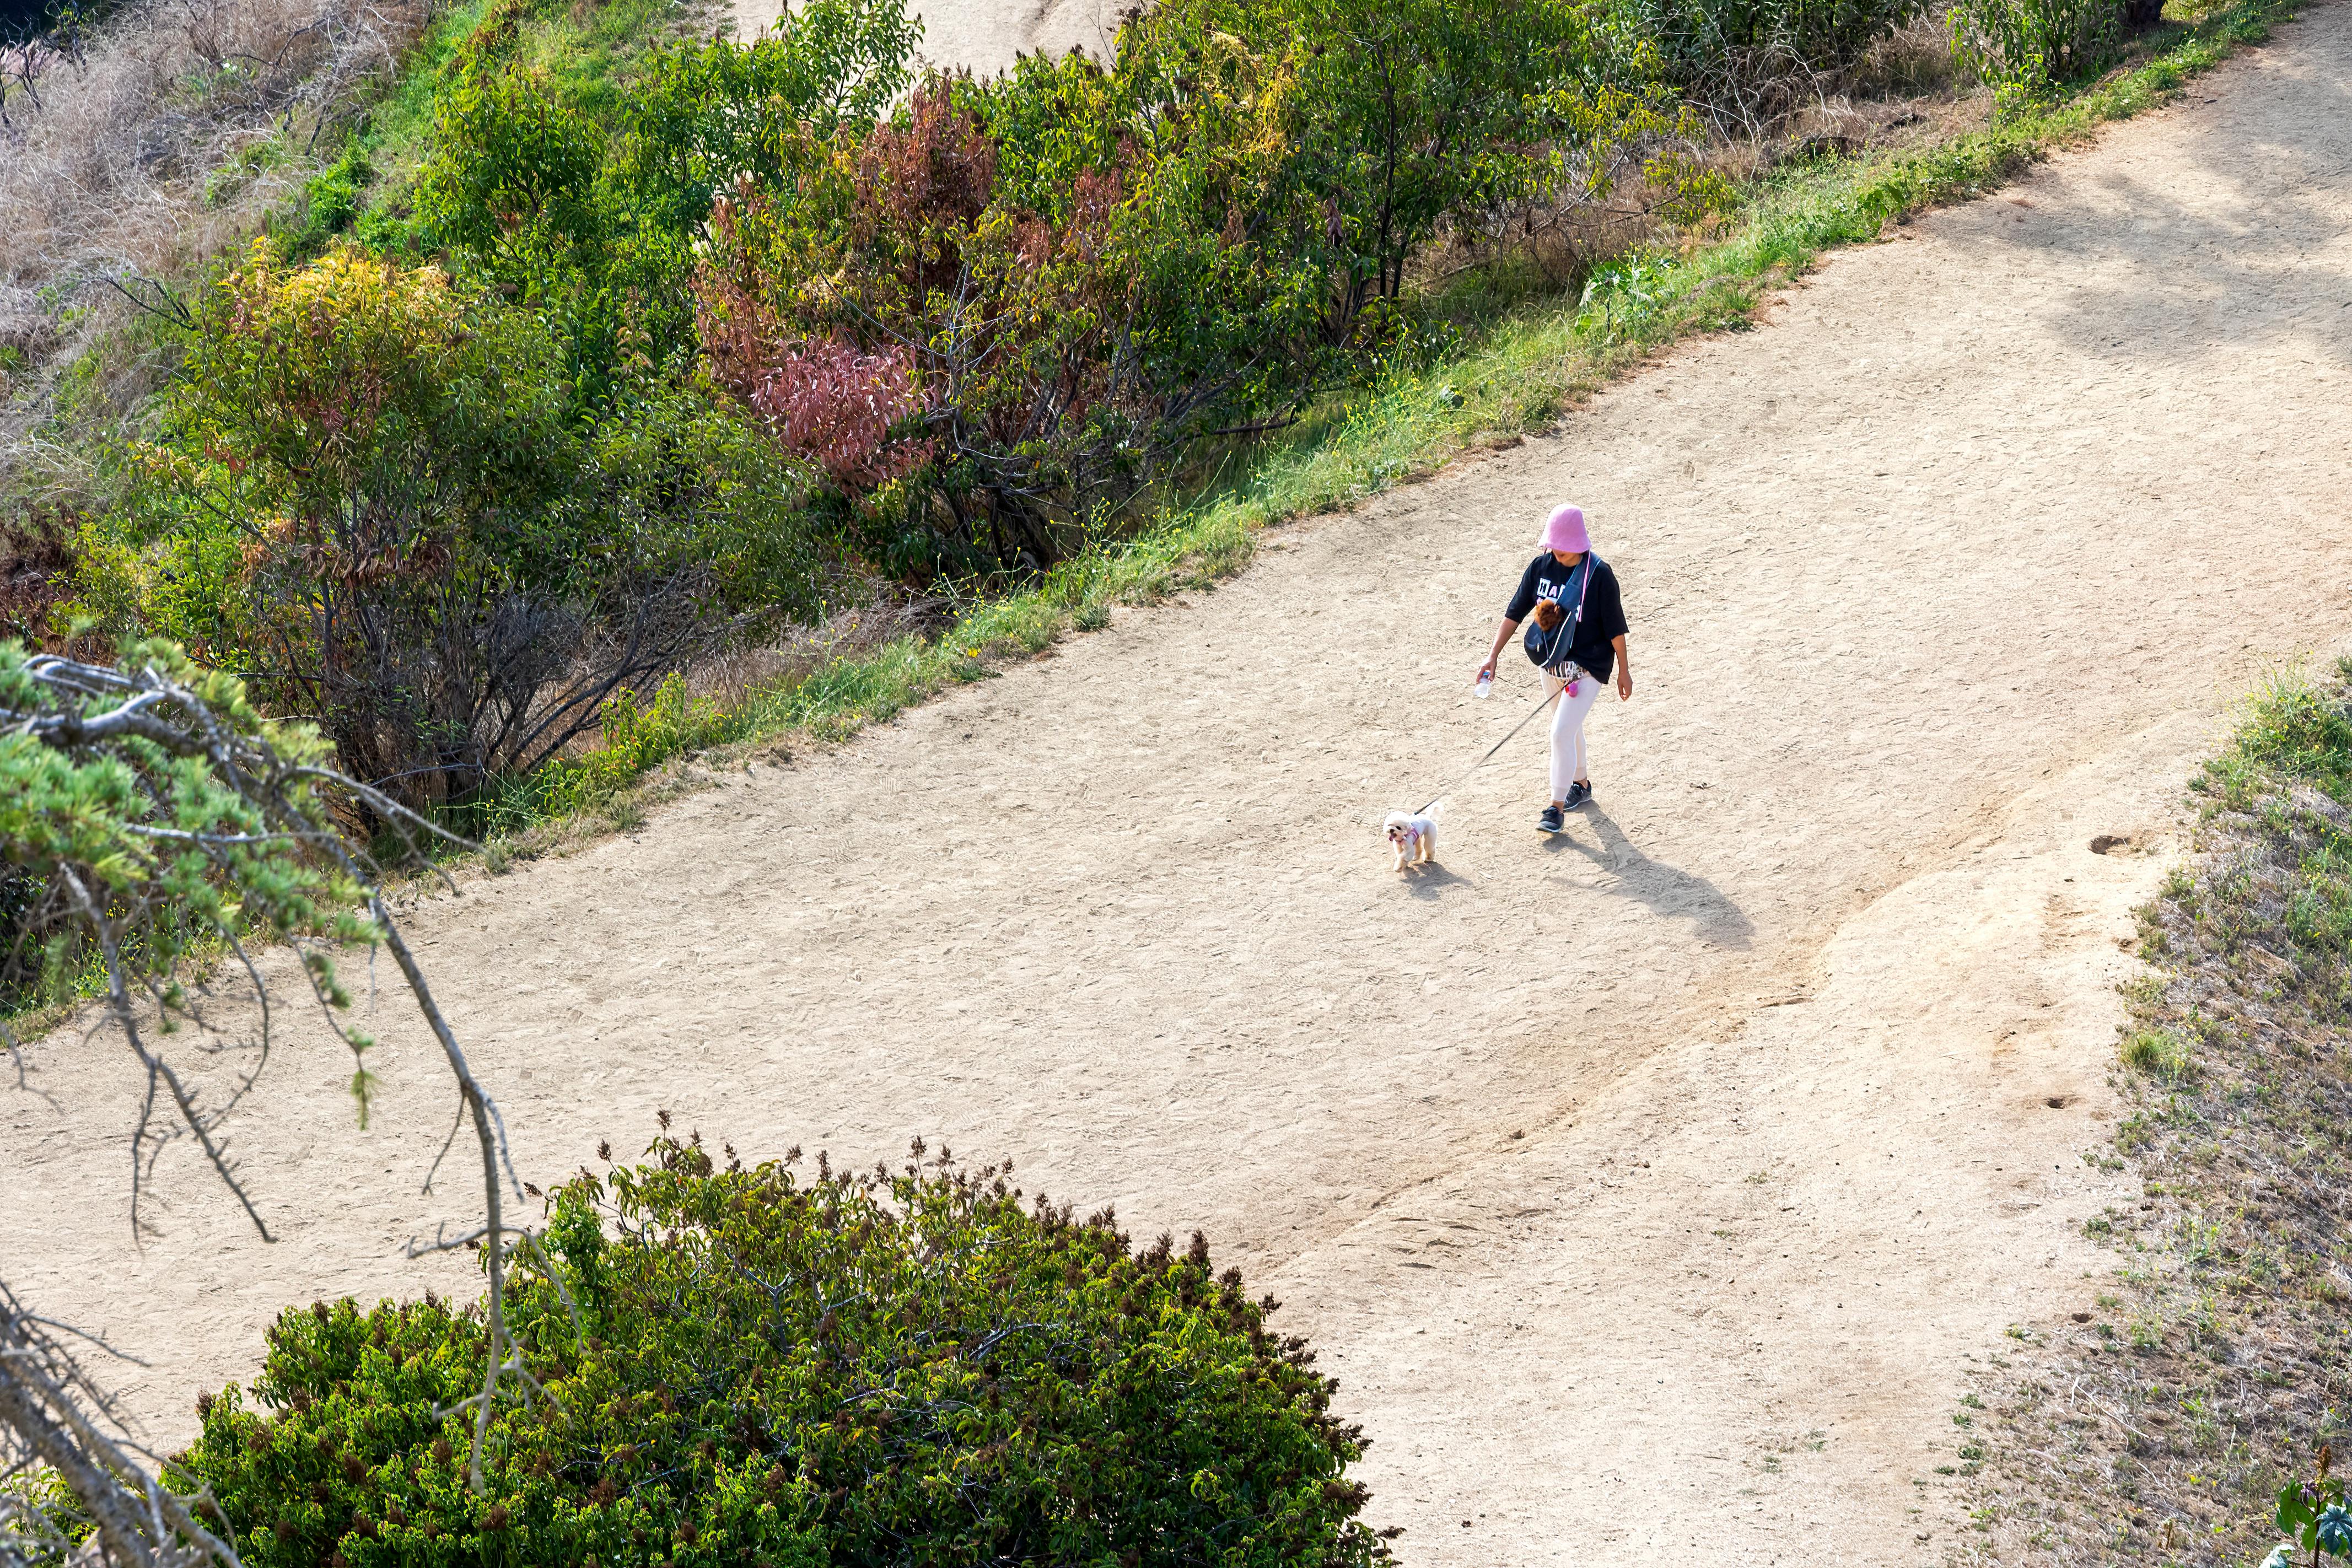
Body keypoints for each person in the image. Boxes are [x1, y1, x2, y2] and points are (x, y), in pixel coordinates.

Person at [1476, 503, 1632, 833]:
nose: (1556, 554)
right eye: (1553, 548)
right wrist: (1493, 655)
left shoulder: (1599, 576)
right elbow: (1515, 611)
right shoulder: (1541, 567)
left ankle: (1555, 807)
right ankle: (1582, 785)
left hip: (1588, 668)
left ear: (1578, 544)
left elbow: (1615, 628)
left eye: (1563, 550)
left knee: (1560, 732)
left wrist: (1624, 670)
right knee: (1567, 729)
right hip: (1550, 663)